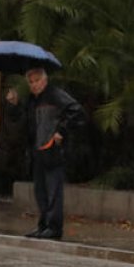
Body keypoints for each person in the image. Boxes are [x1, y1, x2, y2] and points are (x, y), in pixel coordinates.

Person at [16, 65, 83, 240]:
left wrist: (61, 131)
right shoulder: (32, 100)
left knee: (53, 190)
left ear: (45, 80)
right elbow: (24, 122)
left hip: (53, 150)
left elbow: (76, 111)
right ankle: (44, 224)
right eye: (31, 82)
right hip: (37, 151)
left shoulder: (54, 94)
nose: (34, 85)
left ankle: (54, 228)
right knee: (40, 191)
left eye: (37, 80)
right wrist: (14, 104)